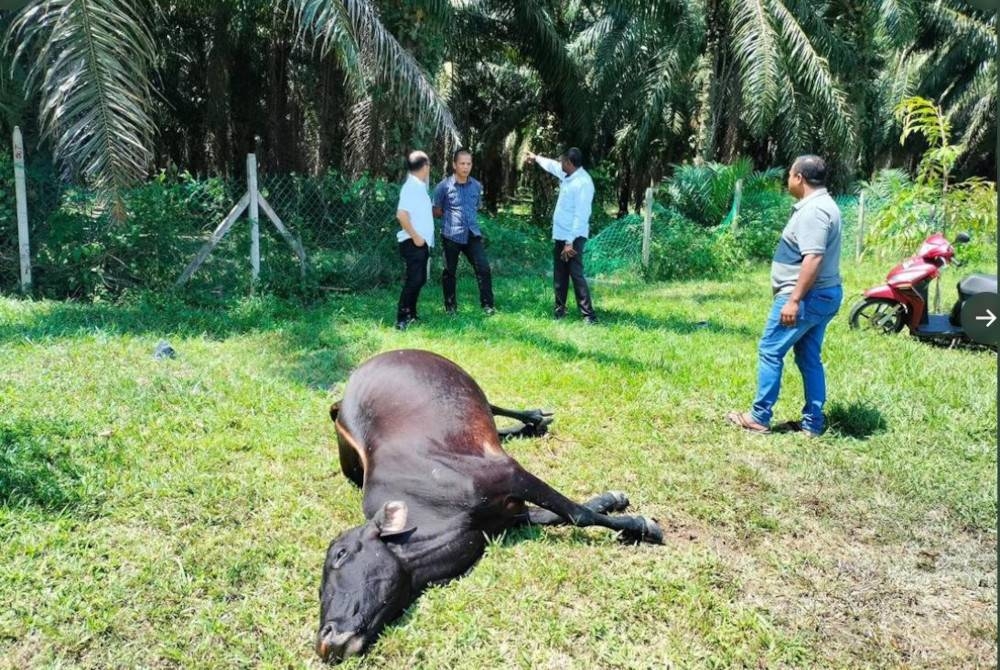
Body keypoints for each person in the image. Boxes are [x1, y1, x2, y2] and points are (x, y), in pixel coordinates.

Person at [726, 155, 843, 437]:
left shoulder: (813, 211)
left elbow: (813, 258)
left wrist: (793, 300)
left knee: (770, 350)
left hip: (806, 297)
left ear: (799, 178)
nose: (787, 179)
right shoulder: (826, 205)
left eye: (790, 174)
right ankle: (812, 423)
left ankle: (759, 416)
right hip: (824, 295)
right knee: (808, 357)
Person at [525, 147, 598, 324]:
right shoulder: (568, 174)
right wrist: (536, 158)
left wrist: (570, 242)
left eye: (562, 161)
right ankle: (559, 311)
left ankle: (589, 316)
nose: (560, 164)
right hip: (561, 235)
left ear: (569, 163)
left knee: (576, 274)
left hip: (573, 238)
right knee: (560, 275)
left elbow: (581, 216)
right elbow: (551, 165)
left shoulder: (583, 183)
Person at [433, 148, 495, 315]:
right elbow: (436, 210)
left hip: (472, 234)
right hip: (451, 235)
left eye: (468, 163)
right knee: (449, 272)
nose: (465, 167)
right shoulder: (443, 187)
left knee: (483, 268)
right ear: (454, 165)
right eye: (462, 163)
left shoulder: (476, 185)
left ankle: (488, 306)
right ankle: (450, 308)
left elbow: (476, 207)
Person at [394, 150, 435, 331]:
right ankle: (402, 318)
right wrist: (416, 237)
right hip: (413, 242)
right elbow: (401, 215)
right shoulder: (411, 186)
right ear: (425, 167)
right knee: (414, 279)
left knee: (418, 279)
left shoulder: (418, 186)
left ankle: (411, 314)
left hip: (420, 242)